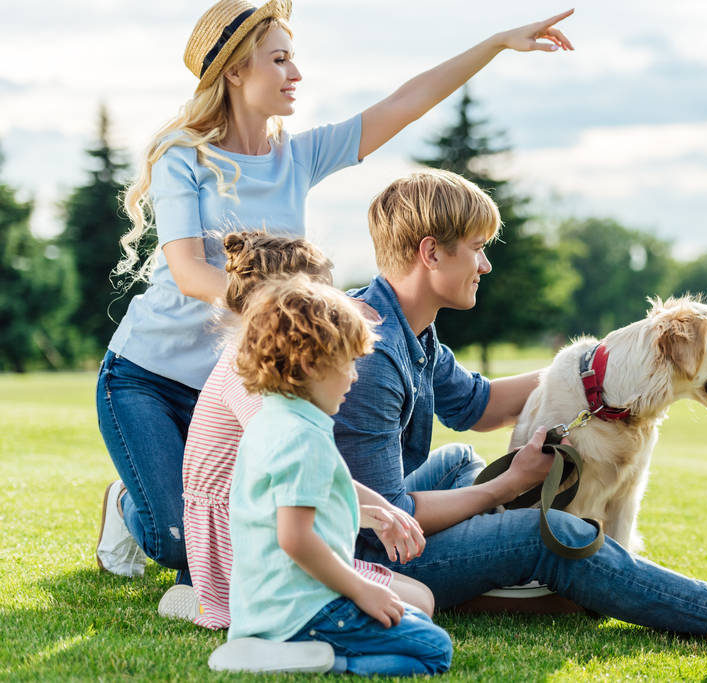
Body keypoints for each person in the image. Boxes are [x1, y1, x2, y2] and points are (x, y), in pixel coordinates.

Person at [95, 0, 575, 580]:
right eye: (279, 60)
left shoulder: (296, 157)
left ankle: (158, 498)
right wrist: (303, 311)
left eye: (294, 59)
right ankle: (126, 504)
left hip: (233, 387)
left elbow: (402, 103)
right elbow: (193, 274)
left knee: (233, 543)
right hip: (147, 376)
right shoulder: (183, 158)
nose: (296, 74)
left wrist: (495, 43)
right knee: (176, 544)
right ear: (235, 71)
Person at [333, 170, 707, 635]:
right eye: (477, 248)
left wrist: (597, 370)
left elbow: (479, 406)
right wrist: (506, 486)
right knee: (550, 533)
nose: (486, 265)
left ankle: (490, 559)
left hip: (382, 524)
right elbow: (385, 520)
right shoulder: (372, 356)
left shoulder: (407, 328)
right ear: (431, 253)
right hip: (372, 557)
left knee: (460, 460)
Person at [155, 231, 429, 629]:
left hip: (261, 525)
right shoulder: (254, 378)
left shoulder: (260, 362)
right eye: (321, 298)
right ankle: (208, 600)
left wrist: (384, 511)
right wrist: (377, 514)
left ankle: (206, 597)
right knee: (417, 604)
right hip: (249, 543)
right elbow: (296, 463)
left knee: (419, 597)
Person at [222, 274, 450, 676]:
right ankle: (315, 658)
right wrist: (361, 589)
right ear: (311, 364)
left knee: (416, 621)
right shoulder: (302, 437)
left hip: (263, 608)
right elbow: (295, 537)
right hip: (306, 610)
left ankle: (287, 651)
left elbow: (312, 493)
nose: (354, 377)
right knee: (434, 647)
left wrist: (373, 514)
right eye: (347, 364)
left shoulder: (273, 419)